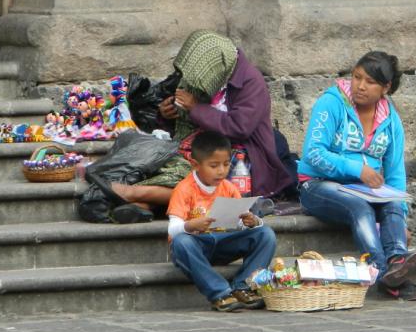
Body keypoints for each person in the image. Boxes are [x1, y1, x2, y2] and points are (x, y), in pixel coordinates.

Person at [297, 51, 416, 301]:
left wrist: (401, 218)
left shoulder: (391, 119)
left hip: (364, 189)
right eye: (357, 77)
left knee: (391, 203)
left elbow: (395, 173)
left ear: (385, 87)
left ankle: (397, 262)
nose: (360, 86)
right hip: (317, 186)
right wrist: (356, 169)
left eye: (370, 82)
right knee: (360, 208)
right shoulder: (332, 103)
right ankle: (381, 272)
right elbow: (312, 153)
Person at [112, 30, 295, 209]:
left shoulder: (252, 82)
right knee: (163, 163)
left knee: (199, 172)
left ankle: (139, 195)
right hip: (200, 145)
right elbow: (185, 123)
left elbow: (239, 128)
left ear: (215, 66)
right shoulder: (204, 80)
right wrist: (166, 115)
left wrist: (195, 108)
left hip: (240, 155)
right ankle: (146, 206)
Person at [167, 131, 277, 312]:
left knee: (265, 234)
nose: (221, 171)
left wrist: (250, 221)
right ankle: (220, 293)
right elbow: (173, 229)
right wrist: (190, 226)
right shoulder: (184, 189)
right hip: (197, 245)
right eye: (214, 165)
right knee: (181, 242)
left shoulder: (229, 187)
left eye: (226, 164)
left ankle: (244, 287)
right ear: (195, 165)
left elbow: (238, 223)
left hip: (224, 241)